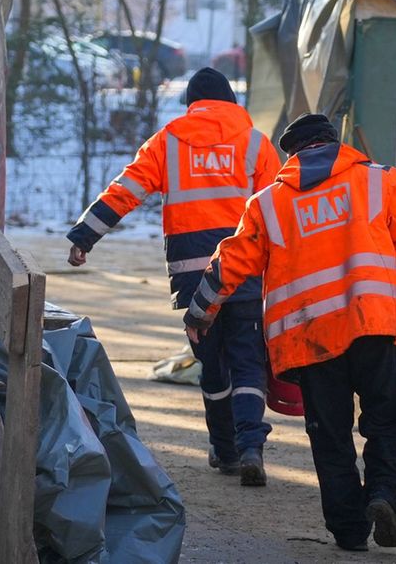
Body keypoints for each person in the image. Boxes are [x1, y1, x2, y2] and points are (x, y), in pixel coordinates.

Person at [184, 113, 396, 551]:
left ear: (292, 155)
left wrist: (199, 313)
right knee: (384, 420)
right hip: (373, 323)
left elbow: (232, 261)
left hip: (309, 336)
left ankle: (349, 530)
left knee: (329, 433)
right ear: (333, 143)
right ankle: (383, 496)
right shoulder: (379, 180)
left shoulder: (267, 202)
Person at [67, 67, 280, 485]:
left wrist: (85, 236)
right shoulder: (255, 142)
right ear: (231, 104)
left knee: (212, 365)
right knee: (248, 360)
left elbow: (126, 190)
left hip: (191, 274)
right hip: (243, 271)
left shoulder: (169, 141)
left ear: (191, 104)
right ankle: (251, 445)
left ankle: (224, 447)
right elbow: (278, 207)